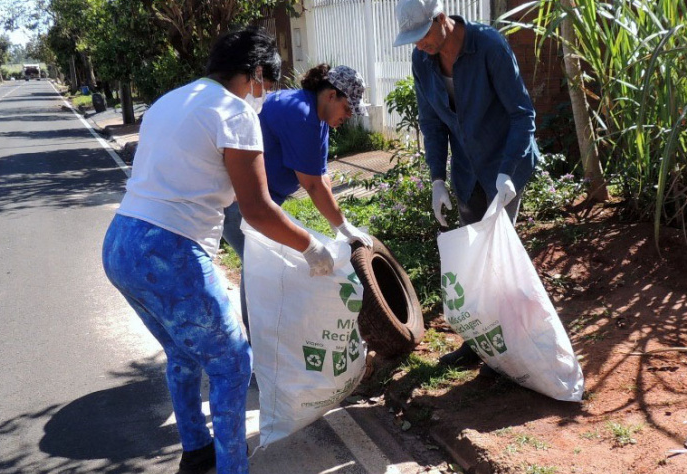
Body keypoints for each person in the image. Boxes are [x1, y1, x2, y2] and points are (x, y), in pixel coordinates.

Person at [101, 29, 333, 474]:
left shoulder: (170, 100)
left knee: (183, 353)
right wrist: (312, 246)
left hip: (121, 244)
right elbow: (258, 209)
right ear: (251, 74)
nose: (265, 92)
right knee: (232, 363)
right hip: (170, 251)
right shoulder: (234, 113)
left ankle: (197, 449)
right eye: (265, 81)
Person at [393, 0, 540, 367]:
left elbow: (522, 116)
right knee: (473, 263)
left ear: (441, 20)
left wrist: (508, 171)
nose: (418, 45)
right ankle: (479, 345)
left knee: (499, 258)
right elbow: (432, 124)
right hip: (467, 172)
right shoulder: (422, 61)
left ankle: (512, 347)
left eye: (422, 35)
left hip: (505, 166)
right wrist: (437, 180)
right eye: (411, 39)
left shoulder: (488, 45)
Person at [221, 64, 373, 329]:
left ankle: (269, 337)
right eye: (348, 108)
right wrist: (343, 227)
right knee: (259, 269)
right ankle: (259, 344)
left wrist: (341, 225)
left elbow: (321, 175)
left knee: (264, 267)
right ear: (331, 95)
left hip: (263, 201)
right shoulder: (300, 114)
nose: (349, 116)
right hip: (240, 203)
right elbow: (313, 186)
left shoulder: (317, 117)